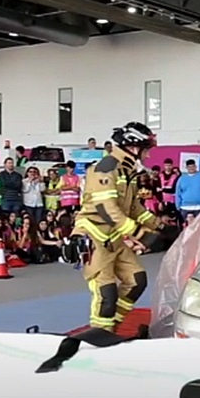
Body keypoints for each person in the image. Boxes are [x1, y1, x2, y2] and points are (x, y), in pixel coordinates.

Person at [72, 122, 169, 332]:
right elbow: (107, 209)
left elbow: (133, 207)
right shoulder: (106, 168)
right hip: (94, 238)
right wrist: (138, 233)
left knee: (136, 281)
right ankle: (99, 335)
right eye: (146, 150)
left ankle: (111, 326)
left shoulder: (126, 171)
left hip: (114, 238)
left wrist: (160, 225)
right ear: (134, 148)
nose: (148, 156)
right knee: (106, 293)